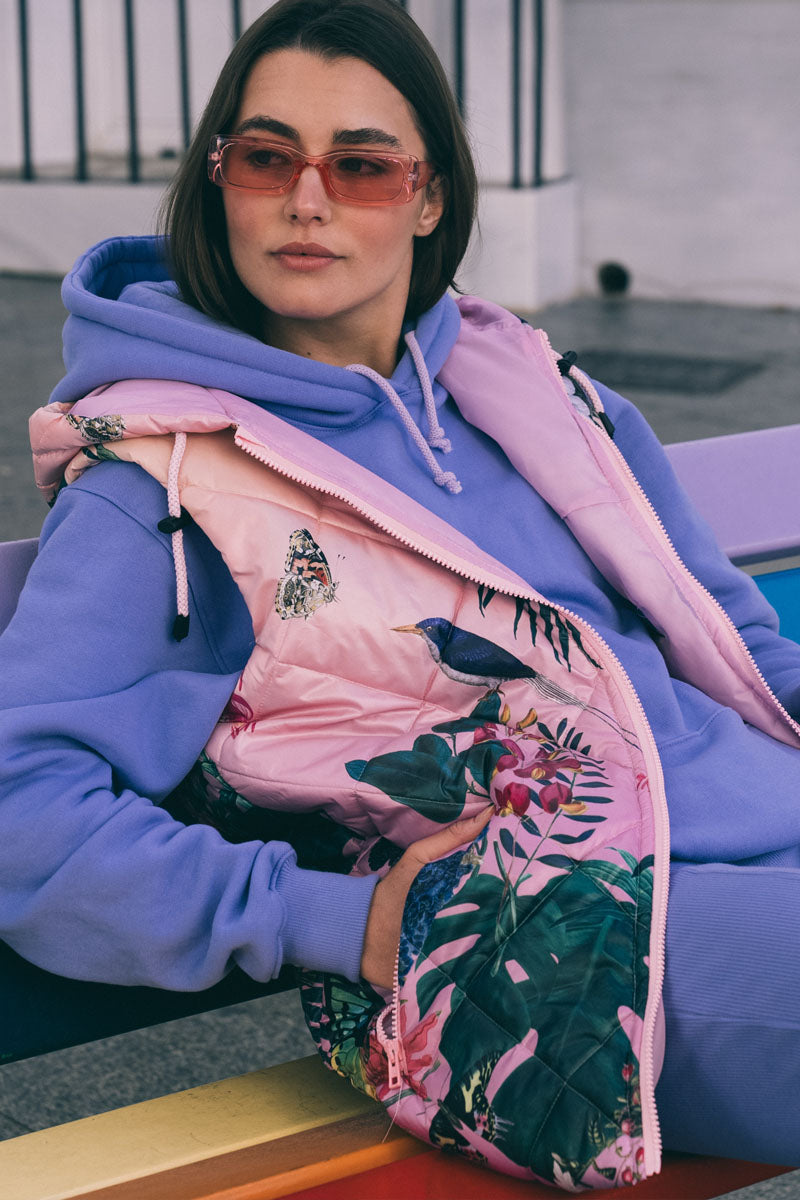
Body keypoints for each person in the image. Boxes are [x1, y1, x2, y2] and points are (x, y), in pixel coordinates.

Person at [3, 0, 800, 1186]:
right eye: (265, 156)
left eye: (362, 165)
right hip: (559, 943)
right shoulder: (163, 488)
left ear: (428, 198)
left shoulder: (537, 396)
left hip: (759, 828)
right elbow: (20, 808)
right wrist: (338, 920)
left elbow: (721, 625)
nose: (306, 199)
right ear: (218, 182)